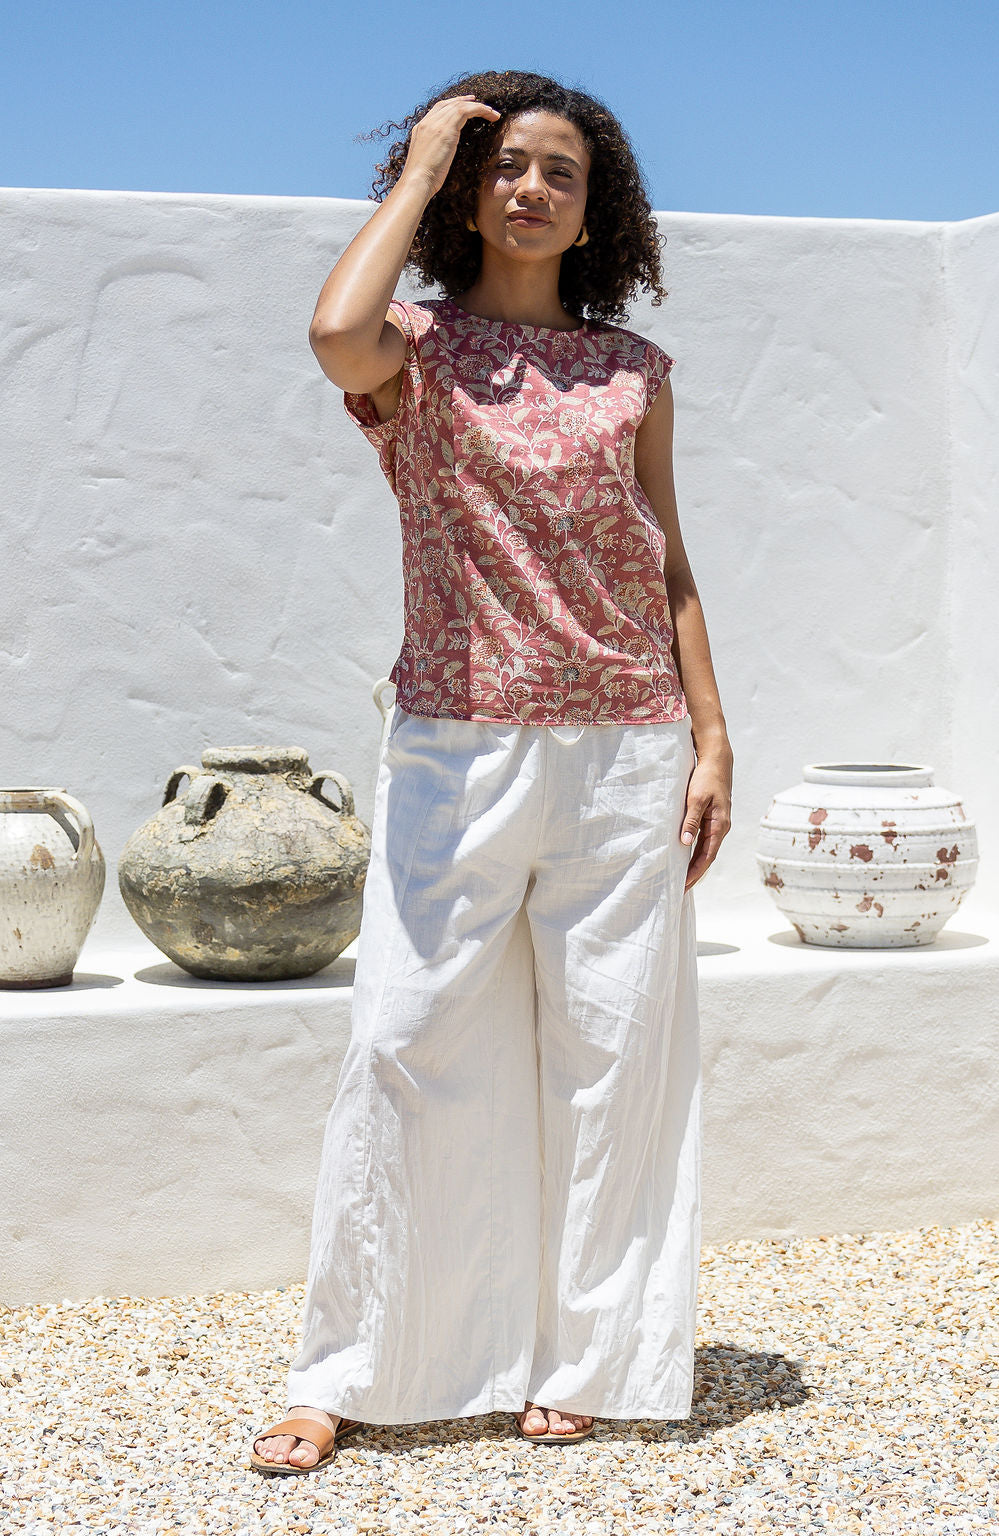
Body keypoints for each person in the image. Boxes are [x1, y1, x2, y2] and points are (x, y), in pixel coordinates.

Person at [251, 68, 733, 1474]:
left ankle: (588, 1358)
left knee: (612, 1060)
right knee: (403, 1043)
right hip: (456, 743)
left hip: (628, 747)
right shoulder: (415, 346)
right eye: (504, 165)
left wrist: (712, 737)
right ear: (469, 193)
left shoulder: (634, 373)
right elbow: (332, 333)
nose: (530, 187)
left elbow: (668, 560)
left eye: (558, 171)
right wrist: (423, 162)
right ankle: (348, 1367)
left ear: (595, 209)